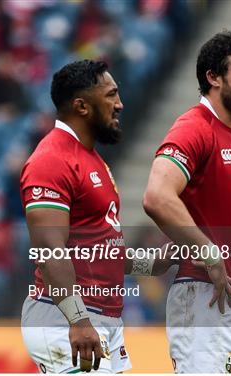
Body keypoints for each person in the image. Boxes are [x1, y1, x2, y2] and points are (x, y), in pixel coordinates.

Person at [143, 31, 231, 373]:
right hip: (207, 297)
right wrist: (208, 251)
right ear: (213, 78)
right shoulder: (194, 128)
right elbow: (157, 196)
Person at [20, 60, 174, 373]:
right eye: (111, 95)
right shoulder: (51, 159)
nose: (120, 104)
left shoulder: (91, 159)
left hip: (98, 316)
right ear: (81, 106)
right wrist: (77, 320)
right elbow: (49, 250)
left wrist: (152, 264)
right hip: (64, 318)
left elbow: (99, 251)